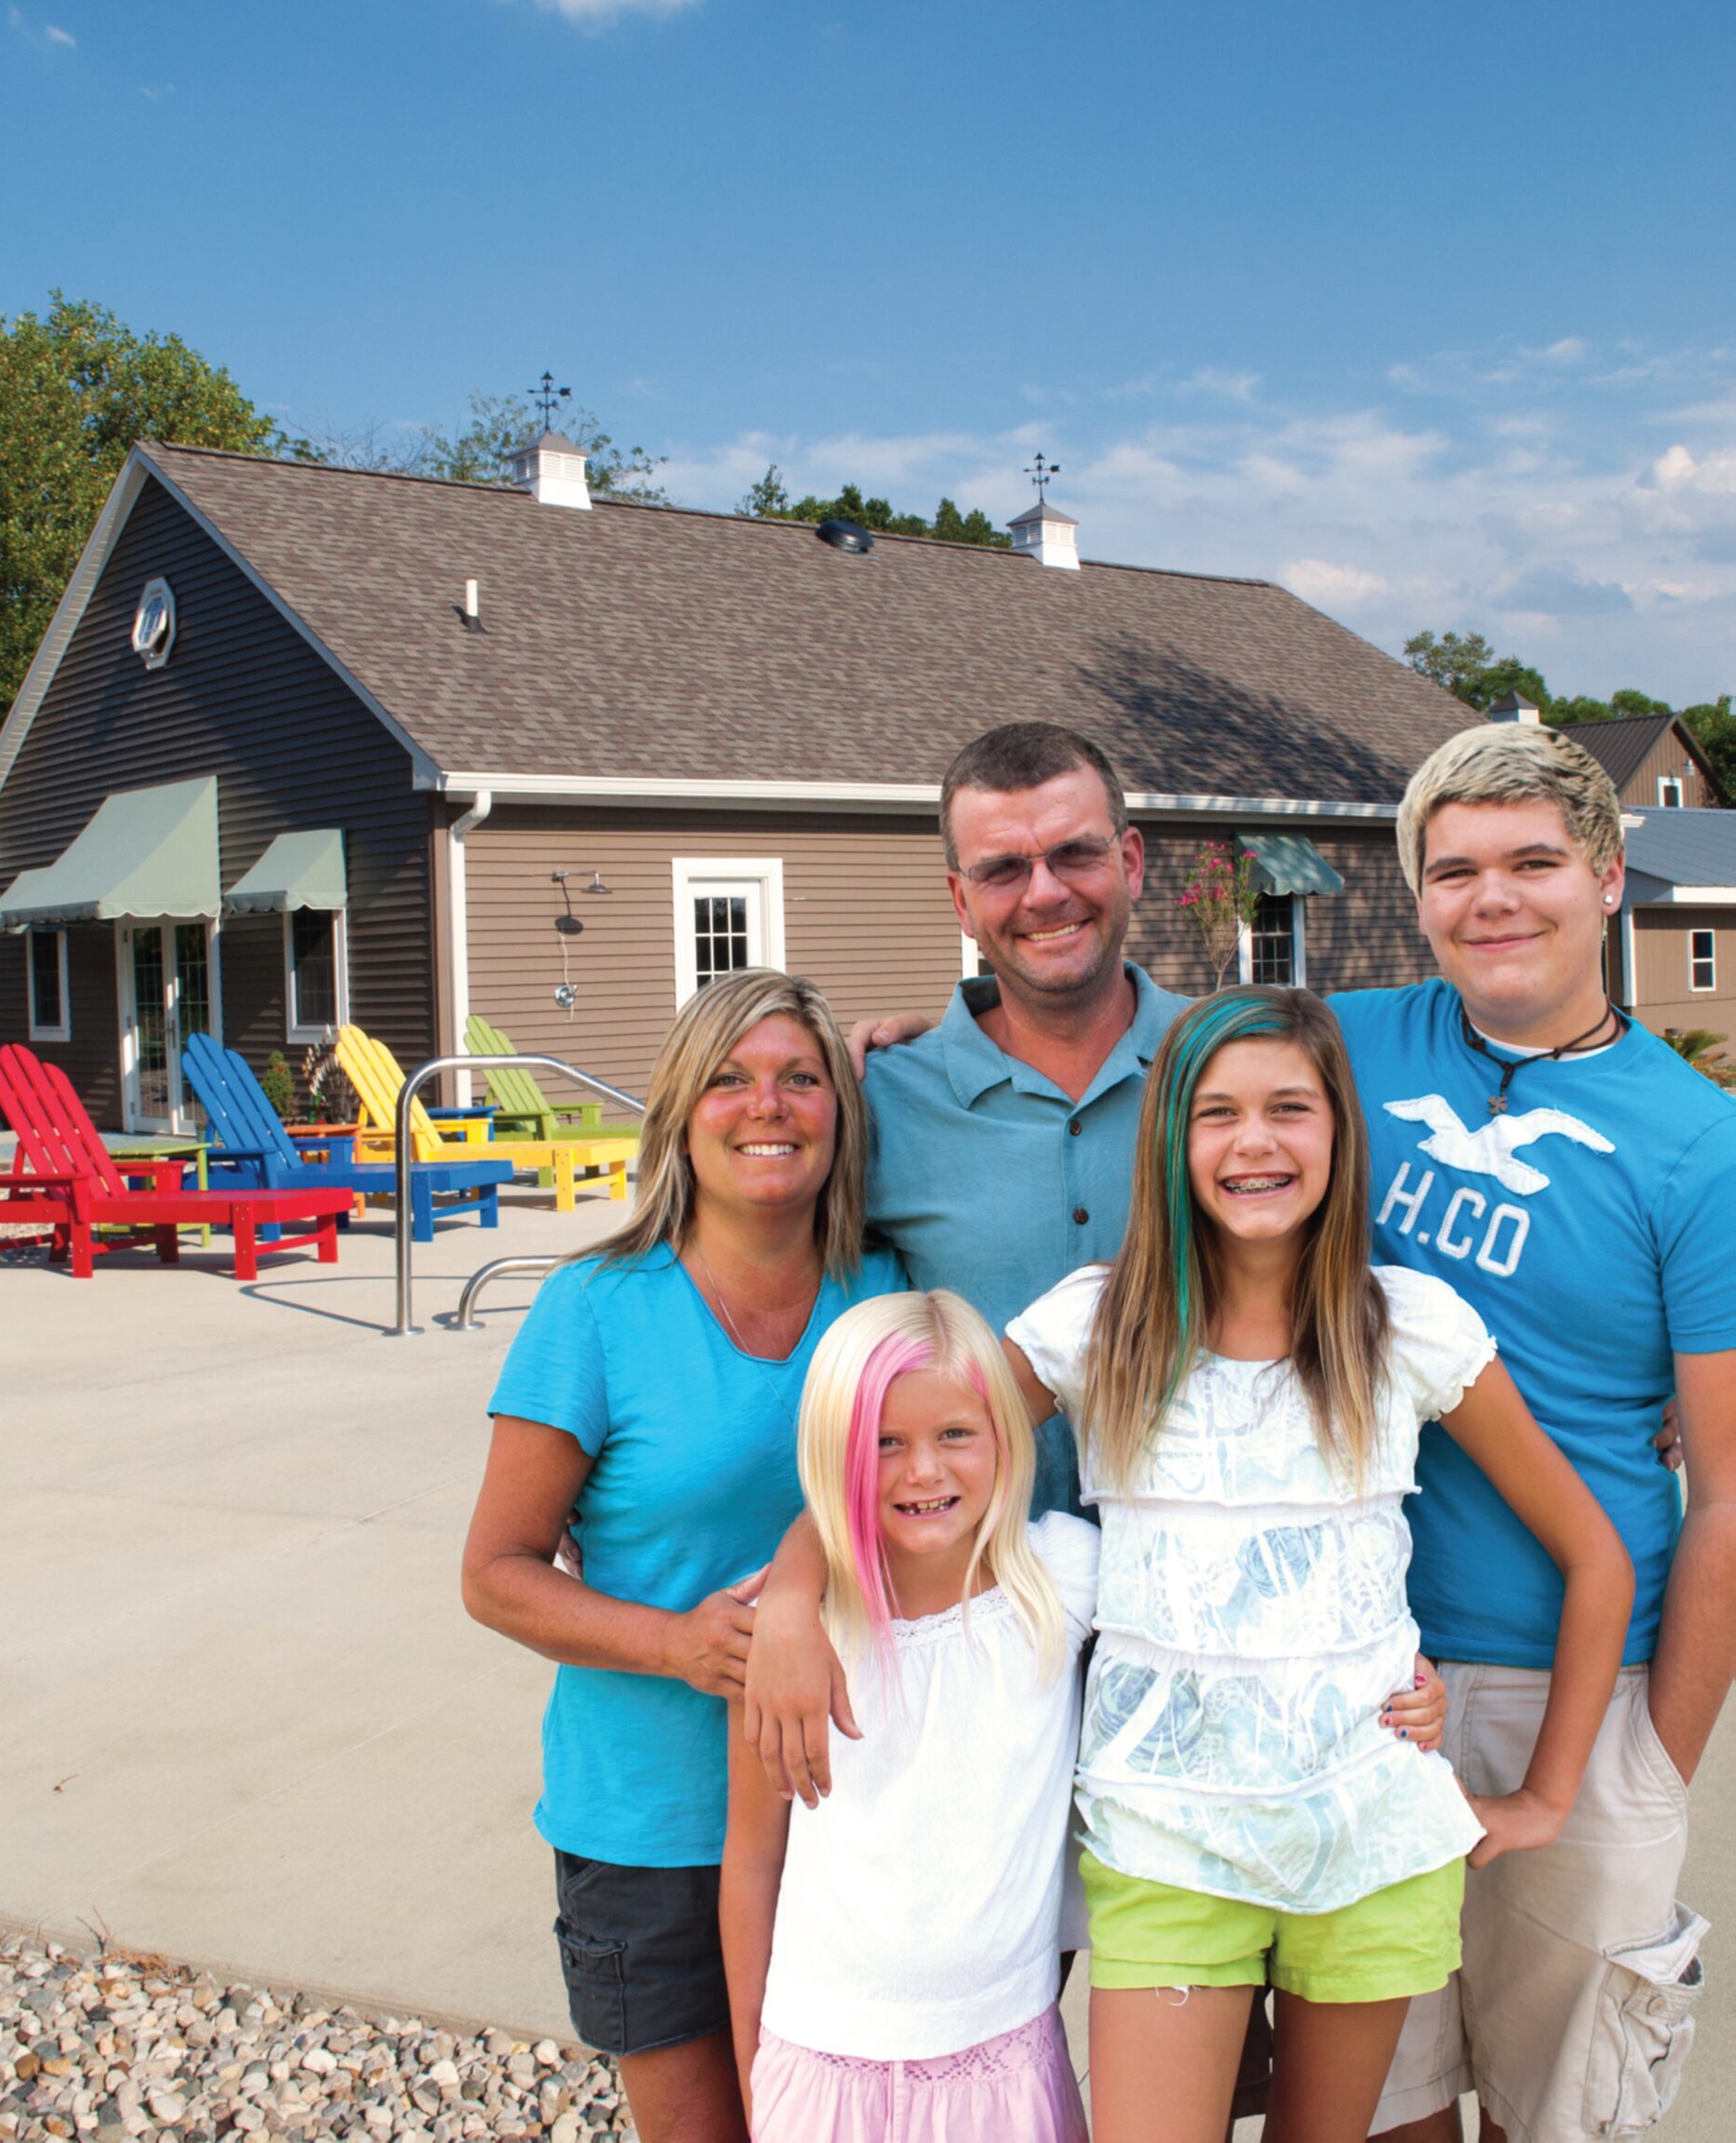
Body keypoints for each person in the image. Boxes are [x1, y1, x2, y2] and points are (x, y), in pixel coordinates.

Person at [752, 988, 1633, 2143]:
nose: (1254, 1140)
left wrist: (1545, 1796)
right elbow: (908, 1457)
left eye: (1289, 1109)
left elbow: (1595, 1557)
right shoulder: (1096, 1325)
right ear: (1172, 1138)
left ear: (1338, 1133)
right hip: (1167, 1837)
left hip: (1366, 1833)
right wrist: (787, 1594)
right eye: (1216, 1112)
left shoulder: (1408, 1328)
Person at [1341, 721, 1736, 2143]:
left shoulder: (1698, 1144)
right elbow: (1122, 1036)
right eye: (1451, 871)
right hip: (1354, 1671)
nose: (1490, 898)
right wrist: (898, 1034)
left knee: (1555, 2114)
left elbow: (1730, 1495)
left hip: (1570, 1681)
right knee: (1376, 2104)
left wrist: (1648, 1761)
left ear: (1608, 877)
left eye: (1530, 862)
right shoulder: (1342, 1040)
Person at [461, 970, 907, 2143]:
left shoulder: (886, 1291)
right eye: (730, 1079)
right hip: (653, 1823)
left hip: (848, 1807)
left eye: (800, 1078)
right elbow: (495, 1569)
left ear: (840, 1109)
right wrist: (678, 1641)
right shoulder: (596, 1308)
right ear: (678, 1114)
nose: (768, 1105)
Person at [720, 1289, 1096, 2143]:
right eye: (882, 1444)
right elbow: (751, 1861)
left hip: (1007, 2057)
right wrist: (756, 2071)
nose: (922, 1470)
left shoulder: (1065, 1581)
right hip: (817, 2064)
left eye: (954, 1434)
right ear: (832, 1454)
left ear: (1005, 1431)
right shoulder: (792, 1637)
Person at [856, 719, 1196, 1518]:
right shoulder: (877, 1102)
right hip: (980, 1596)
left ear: (1131, 861)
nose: (1045, 892)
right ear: (960, 901)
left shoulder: (1238, 1071)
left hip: (1209, 1601)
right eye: (1003, 869)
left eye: (1075, 853)